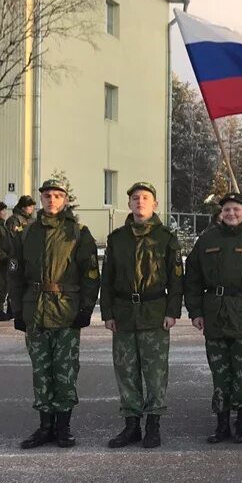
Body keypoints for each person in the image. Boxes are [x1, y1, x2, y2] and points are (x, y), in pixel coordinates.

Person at [9, 178, 101, 449]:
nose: (52, 200)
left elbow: (90, 274)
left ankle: (64, 426)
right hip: (34, 310)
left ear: (65, 200)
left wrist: (86, 308)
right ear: (41, 199)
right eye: (47, 195)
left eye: (57, 196)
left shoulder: (77, 233)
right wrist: (17, 310)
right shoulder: (27, 233)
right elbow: (14, 275)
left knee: (65, 371)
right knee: (41, 370)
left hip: (66, 309)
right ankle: (44, 426)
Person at [185, 192, 242, 445]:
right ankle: (222, 424)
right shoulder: (207, 239)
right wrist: (195, 312)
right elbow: (192, 277)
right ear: (221, 213)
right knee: (220, 373)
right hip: (215, 314)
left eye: (236, 209)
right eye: (227, 210)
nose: (231, 214)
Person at [100, 182, 183, 450]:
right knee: (126, 371)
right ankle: (131, 425)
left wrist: (172, 311)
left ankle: (153, 425)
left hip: (154, 312)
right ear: (129, 204)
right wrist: (108, 313)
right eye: (135, 198)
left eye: (145, 198)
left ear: (154, 204)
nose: (140, 202)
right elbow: (107, 279)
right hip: (124, 313)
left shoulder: (166, 237)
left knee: (155, 372)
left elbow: (176, 279)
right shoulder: (117, 238)